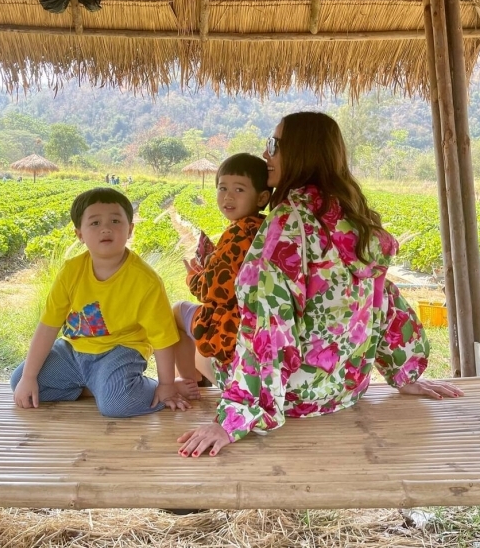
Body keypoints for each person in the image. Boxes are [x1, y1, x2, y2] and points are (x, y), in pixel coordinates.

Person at [177, 112, 463, 457]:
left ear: (299, 152)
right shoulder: (357, 221)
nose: (266, 155)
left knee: (194, 326)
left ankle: (184, 389)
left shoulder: (287, 227)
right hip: (344, 387)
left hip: (291, 397)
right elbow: (383, 300)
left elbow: (267, 324)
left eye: (273, 145)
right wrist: (405, 371)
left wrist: (233, 418)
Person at [11, 187, 195, 417]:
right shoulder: (71, 271)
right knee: (21, 382)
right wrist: (29, 378)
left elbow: (162, 338)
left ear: (130, 230)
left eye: (116, 221)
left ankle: (139, 387)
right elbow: (48, 326)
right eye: (95, 223)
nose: (106, 228)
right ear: (80, 234)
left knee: (116, 404)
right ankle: (96, 387)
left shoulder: (145, 281)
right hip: (74, 351)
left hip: (120, 351)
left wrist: (167, 385)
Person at [172, 153, 271, 387]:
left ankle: (189, 382)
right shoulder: (265, 227)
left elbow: (214, 291)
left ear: (262, 197)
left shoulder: (238, 234)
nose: (227, 196)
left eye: (239, 190)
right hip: (256, 326)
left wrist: (194, 278)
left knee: (177, 310)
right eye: (222, 188)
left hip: (232, 327)